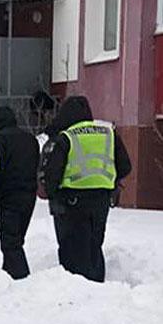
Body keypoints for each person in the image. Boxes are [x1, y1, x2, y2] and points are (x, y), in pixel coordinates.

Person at [39, 95, 132, 283]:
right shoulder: (109, 133)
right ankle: (97, 283)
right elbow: (125, 166)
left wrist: (52, 194)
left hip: (73, 201)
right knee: (94, 244)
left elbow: (53, 173)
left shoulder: (67, 137)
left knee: (72, 247)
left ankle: (76, 288)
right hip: (102, 199)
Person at [0, 107, 39, 279]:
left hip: (8, 197)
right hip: (29, 196)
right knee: (17, 239)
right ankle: (8, 275)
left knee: (10, 243)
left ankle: (20, 279)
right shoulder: (30, 139)